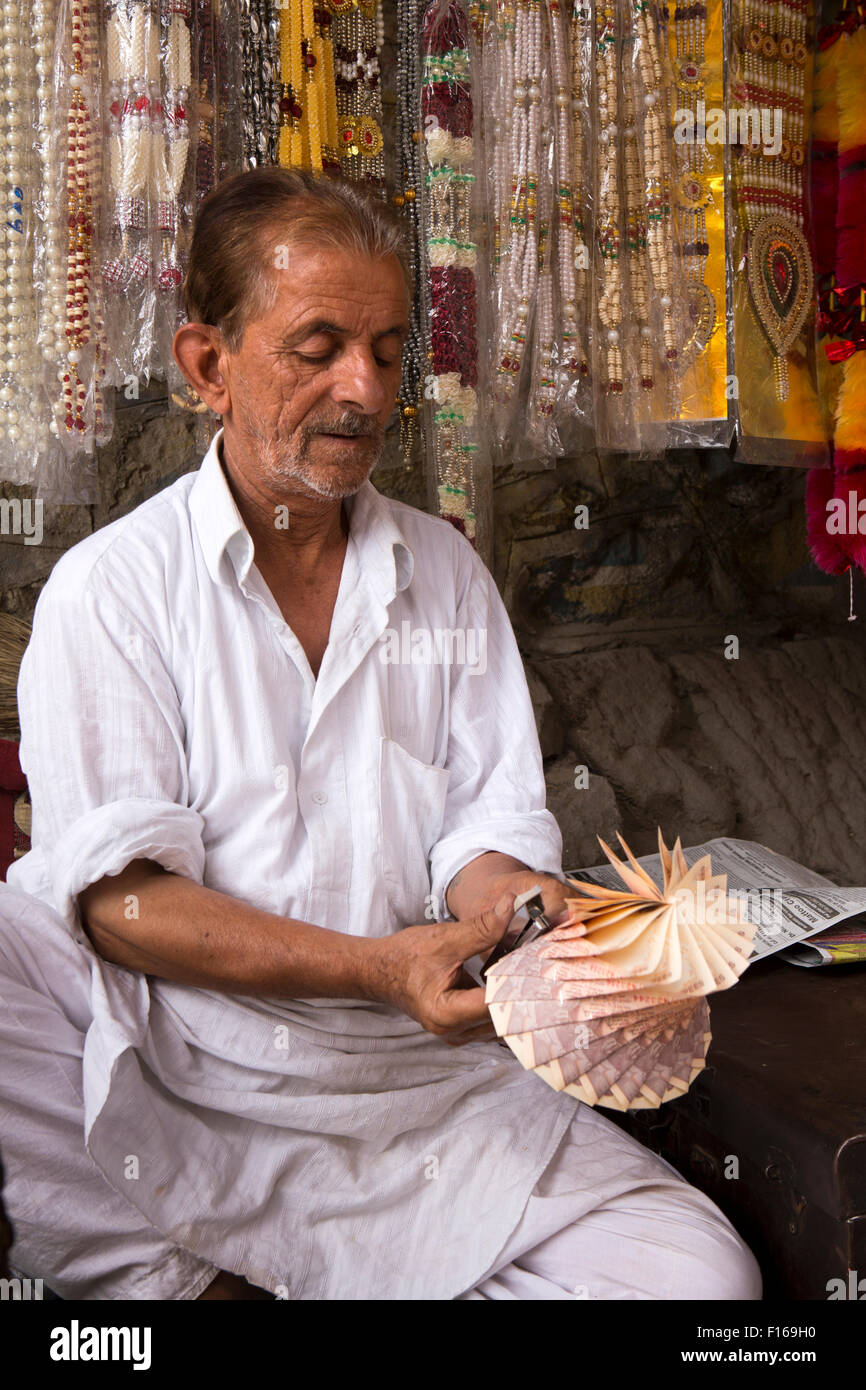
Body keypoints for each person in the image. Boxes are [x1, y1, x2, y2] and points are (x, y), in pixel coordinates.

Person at [0, 168, 761, 1301]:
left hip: (418, 1079)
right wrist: (375, 967)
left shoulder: (442, 573)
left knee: (704, 1284)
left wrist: (530, 918)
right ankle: (193, 1283)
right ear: (207, 364)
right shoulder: (111, 589)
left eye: (390, 351)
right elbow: (124, 906)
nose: (365, 389)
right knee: (18, 939)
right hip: (198, 1068)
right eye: (318, 347)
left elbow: (482, 834)